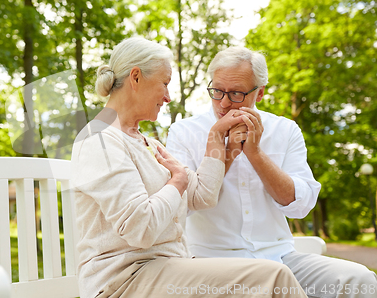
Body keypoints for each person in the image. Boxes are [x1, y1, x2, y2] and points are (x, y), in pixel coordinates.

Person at [71, 38, 308, 298]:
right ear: (136, 78)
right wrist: (177, 182)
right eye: (164, 83)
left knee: (271, 275)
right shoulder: (100, 139)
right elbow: (140, 228)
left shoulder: (146, 142)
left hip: (166, 269)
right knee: (274, 277)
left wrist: (218, 142)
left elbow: (202, 196)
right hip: (124, 280)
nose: (168, 96)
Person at [166, 46, 377, 298]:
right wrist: (229, 151)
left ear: (260, 93)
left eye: (235, 93)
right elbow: (185, 205)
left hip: (281, 257)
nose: (223, 102)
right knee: (268, 282)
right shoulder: (184, 132)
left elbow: (300, 205)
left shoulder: (285, 130)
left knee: (361, 280)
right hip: (212, 261)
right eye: (217, 91)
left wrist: (255, 153)